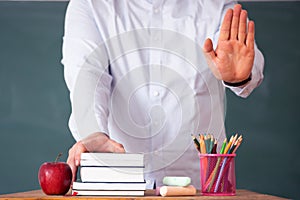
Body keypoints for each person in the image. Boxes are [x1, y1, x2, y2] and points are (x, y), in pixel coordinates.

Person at [62, 0, 264, 188]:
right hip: (118, 186)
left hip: (202, 187)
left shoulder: (217, 5)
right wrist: (94, 133)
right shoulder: (90, 5)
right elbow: (87, 73)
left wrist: (238, 76)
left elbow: (245, 57)